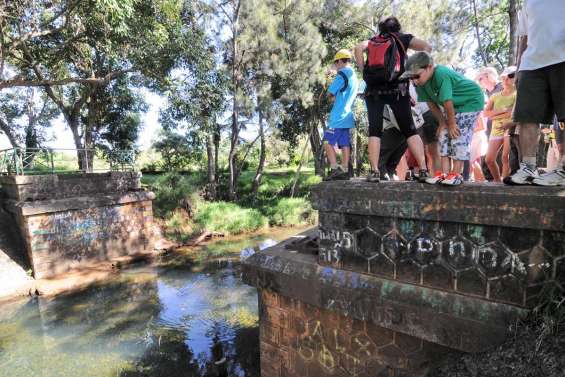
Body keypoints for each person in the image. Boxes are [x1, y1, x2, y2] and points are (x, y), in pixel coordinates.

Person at [354, 16, 431, 183]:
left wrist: (364, 71)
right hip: (398, 89)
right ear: (398, 27)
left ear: (381, 28)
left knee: (374, 130)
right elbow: (427, 46)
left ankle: (375, 171)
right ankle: (424, 170)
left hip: (374, 90)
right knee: (409, 129)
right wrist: (414, 70)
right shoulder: (402, 38)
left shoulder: (373, 40)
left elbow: (358, 48)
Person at [401, 51, 484, 185]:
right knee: (443, 135)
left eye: (416, 76)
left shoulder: (441, 74)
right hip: (453, 107)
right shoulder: (421, 84)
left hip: (470, 102)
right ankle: (444, 174)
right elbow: (431, 104)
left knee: (458, 135)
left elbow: (447, 101)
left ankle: (456, 174)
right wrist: (442, 123)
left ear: (429, 67)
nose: (414, 81)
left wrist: (451, 124)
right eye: (411, 78)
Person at [505, 0, 565, 186]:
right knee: (527, 116)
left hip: (562, 58)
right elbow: (524, 36)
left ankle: (563, 170)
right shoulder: (529, 2)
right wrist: (519, 66)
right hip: (532, 64)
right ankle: (528, 168)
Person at [322, 49, 359, 181]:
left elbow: (330, 94)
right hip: (348, 116)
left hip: (337, 116)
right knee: (344, 143)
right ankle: (344, 169)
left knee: (327, 141)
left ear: (339, 61)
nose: (335, 66)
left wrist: (330, 83)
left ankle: (334, 168)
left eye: (335, 63)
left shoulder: (342, 73)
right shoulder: (354, 75)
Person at [483, 66, 517, 182]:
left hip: (510, 129)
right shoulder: (495, 96)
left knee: (505, 157)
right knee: (489, 159)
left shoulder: (517, 94)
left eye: (509, 78)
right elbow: (486, 114)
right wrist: (503, 110)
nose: (505, 80)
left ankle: (505, 182)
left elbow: (513, 114)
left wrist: (494, 115)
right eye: (503, 78)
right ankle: (497, 181)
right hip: (496, 129)